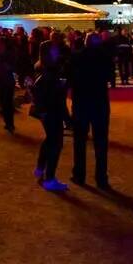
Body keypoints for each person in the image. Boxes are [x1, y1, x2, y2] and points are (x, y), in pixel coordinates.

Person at [69, 32, 112, 188]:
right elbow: (109, 77)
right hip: (99, 102)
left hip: (81, 102)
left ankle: (79, 175)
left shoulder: (76, 57)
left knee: (79, 141)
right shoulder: (105, 58)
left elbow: (70, 78)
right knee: (101, 142)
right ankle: (101, 177)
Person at [31, 40, 69, 192]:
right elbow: (53, 94)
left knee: (50, 140)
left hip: (46, 111)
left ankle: (41, 168)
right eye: (54, 50)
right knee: (56, 143)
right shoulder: (50, 71)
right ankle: (49, 178)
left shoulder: (43, 68)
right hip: (51, 110)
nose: (57, 51)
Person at [0, 35, 18, 132]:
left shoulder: (10, 54)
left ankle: (10, 123)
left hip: (8, 81)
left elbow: (14, 67)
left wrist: (6, 64)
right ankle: (8, 122)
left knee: (8, 103)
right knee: (3, 102)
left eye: (0, 43)